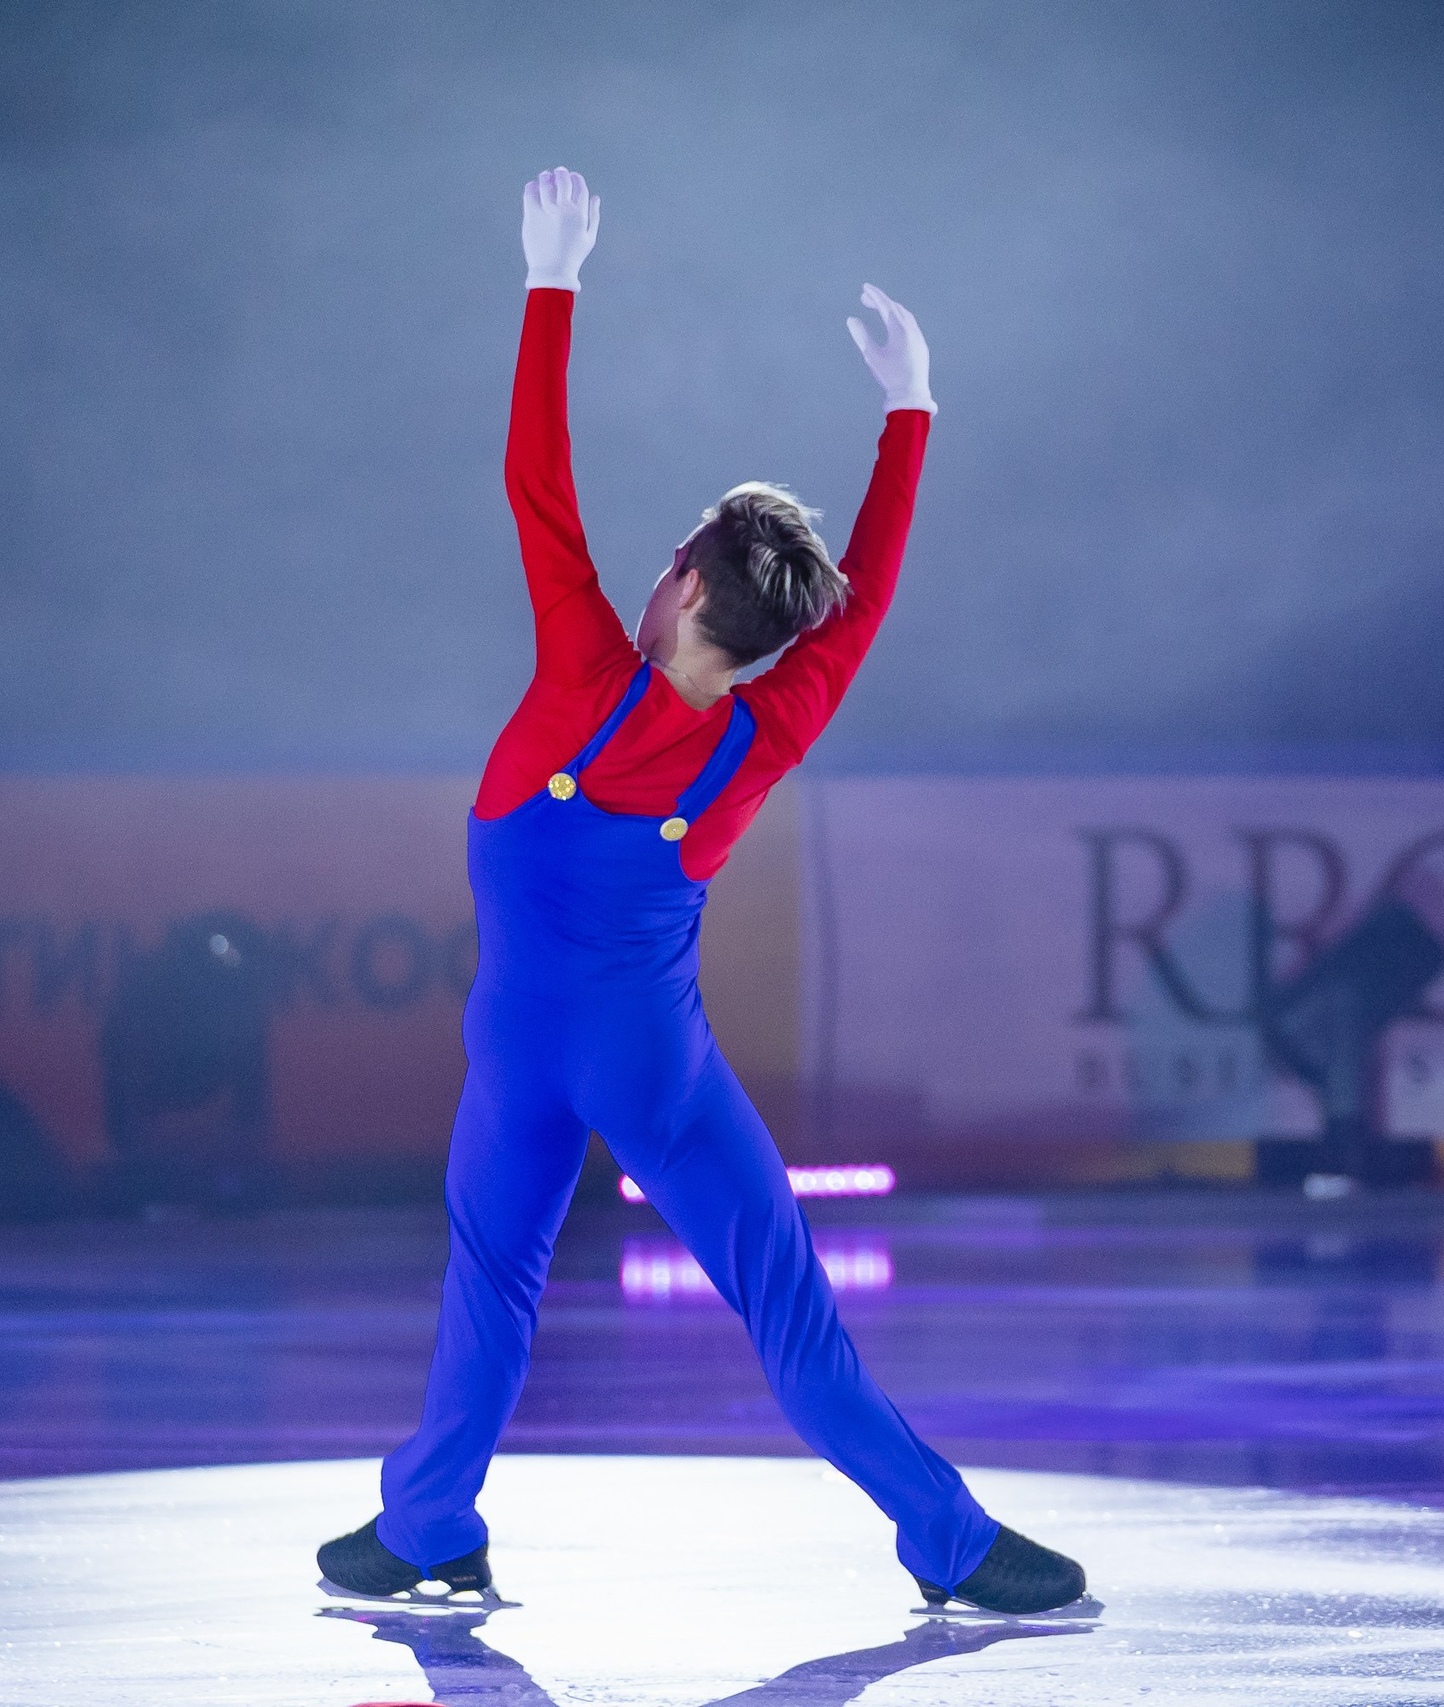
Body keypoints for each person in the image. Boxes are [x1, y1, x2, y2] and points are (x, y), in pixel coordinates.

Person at [316, 168, 1086, 1617]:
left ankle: (430, 1523)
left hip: (515, 1048)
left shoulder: (582, 673)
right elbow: (871, 594)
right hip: (645, 1060)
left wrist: (553, 284)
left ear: (673, 585)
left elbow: (535, 482)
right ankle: (953, 1544)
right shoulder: (771, 727)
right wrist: (909, 412)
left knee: (491, 1285)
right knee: (784, 1308)